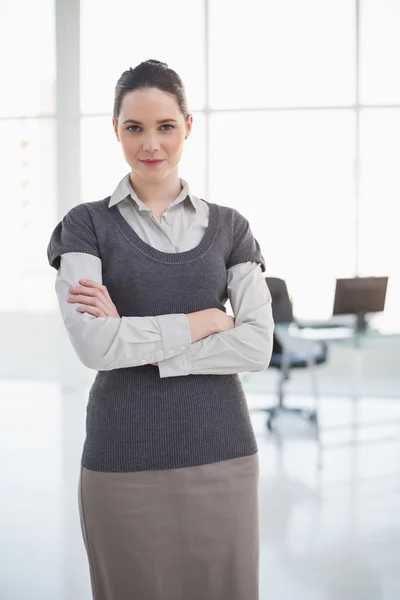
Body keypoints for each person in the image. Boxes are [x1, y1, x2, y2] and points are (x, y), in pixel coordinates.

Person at [47, 59, 274, 600]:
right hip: (121, 460)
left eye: (165, 126)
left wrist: (144, 344)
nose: (151, 143)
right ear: (116, 129)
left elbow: (257, 344)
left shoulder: (231, 228)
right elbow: (95, 346)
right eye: (135, 127)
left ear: (188, 126)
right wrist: (204, 322)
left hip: (222, 452)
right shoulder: (86, 225)